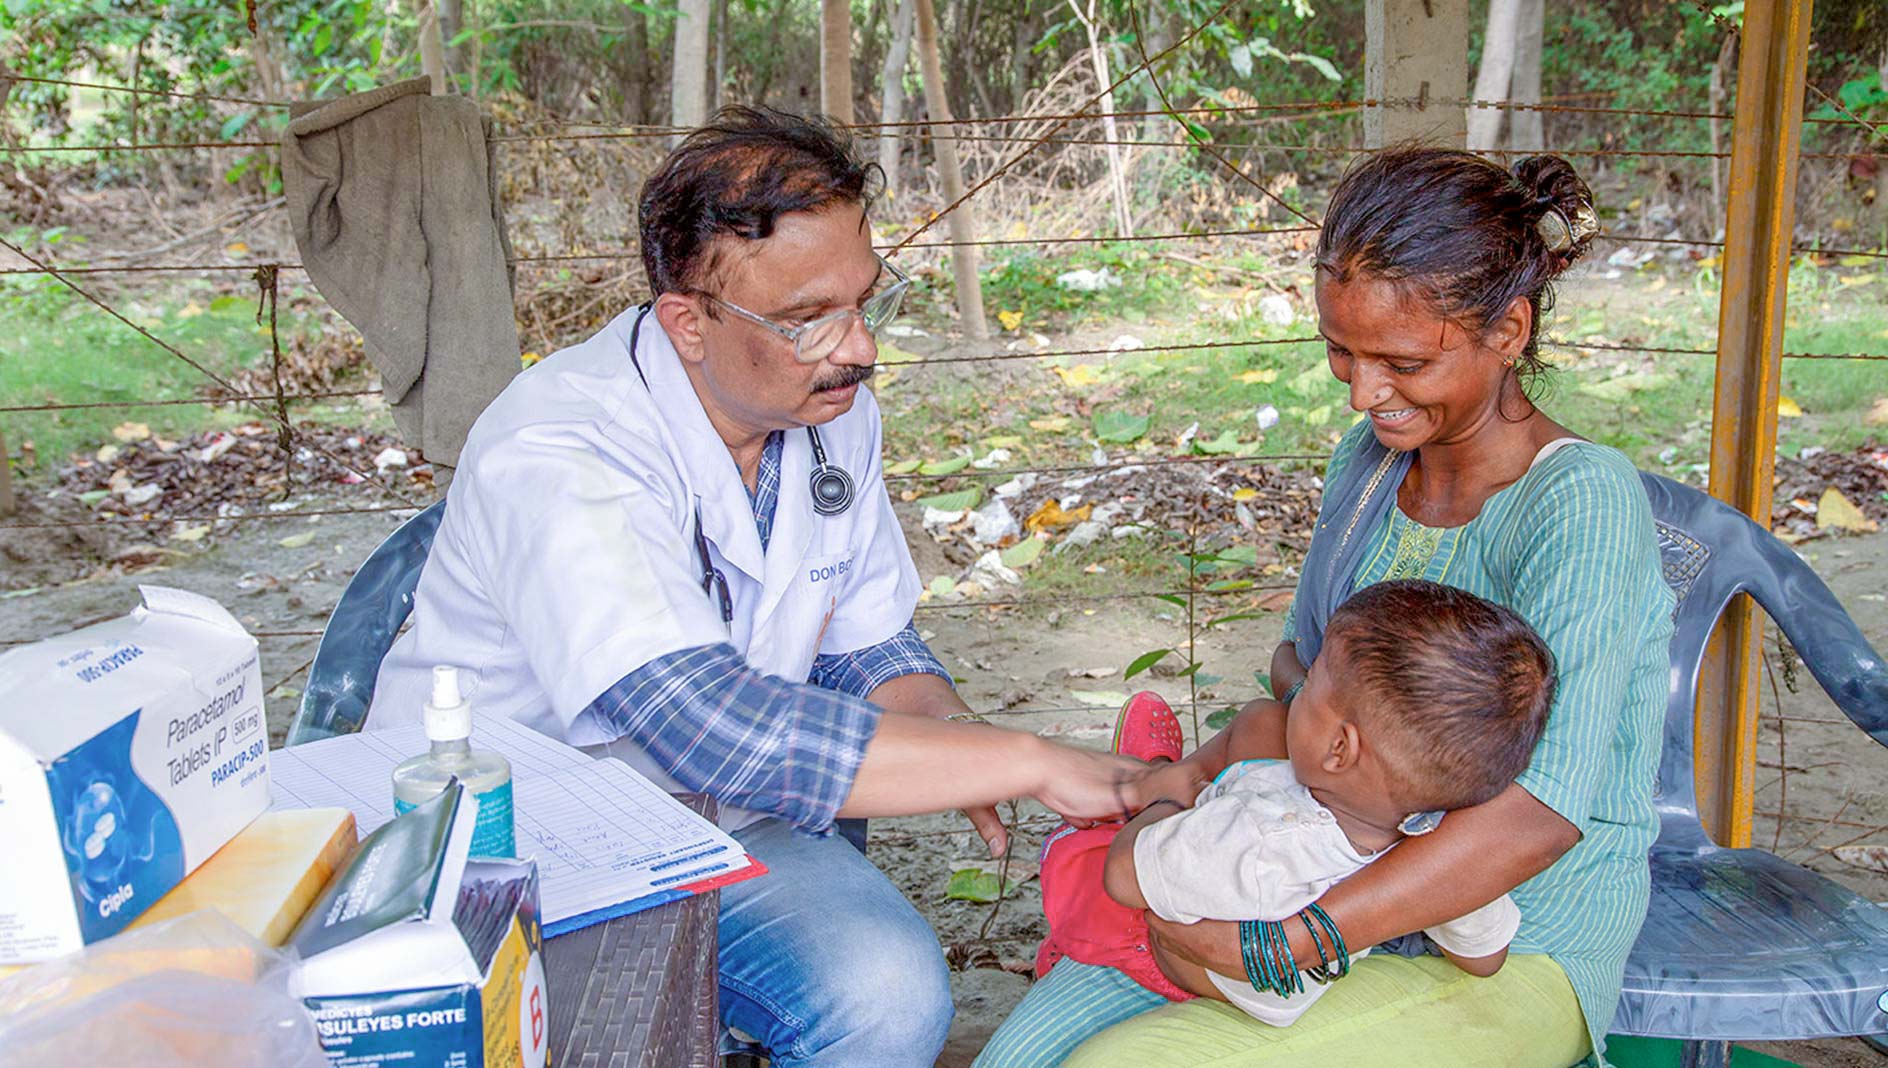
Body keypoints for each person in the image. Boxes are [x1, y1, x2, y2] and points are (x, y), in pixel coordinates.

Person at [363, 107, 1155, 1067]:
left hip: (724, 831)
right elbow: (703, 724)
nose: (859, 348)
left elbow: (867, 645)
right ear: (687, 322)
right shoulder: (562, 449)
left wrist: (956, 741)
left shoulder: (828, 407)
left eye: (866, 301)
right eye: (807, 318)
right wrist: (1027, 759)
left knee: (887, 998)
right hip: (518, 858)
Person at [1027, 147, 1677, 1068]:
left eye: (1404, 361)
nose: (1365, 393)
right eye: (1343, 350)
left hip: (1508, 941)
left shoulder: (1579, 504)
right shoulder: (1367, 467)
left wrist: (1292, 941)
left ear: (1510, 331)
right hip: (1302, 867)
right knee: (1023, 1057)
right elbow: (1301, 668)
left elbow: (1537, 812)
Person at [976, 580, 1557, 1066]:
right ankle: (1170, 774)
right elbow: (1485, 957)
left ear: (1338, 748)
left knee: (1092, 880)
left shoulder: (1255, 839)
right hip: (1277, 955)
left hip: (1163, 956)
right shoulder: (1439, 848)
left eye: (1311, 689)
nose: (1295, 694)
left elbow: (1126, 875)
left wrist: (1167, 802)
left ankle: (1151, 775)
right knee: (1259, 722)